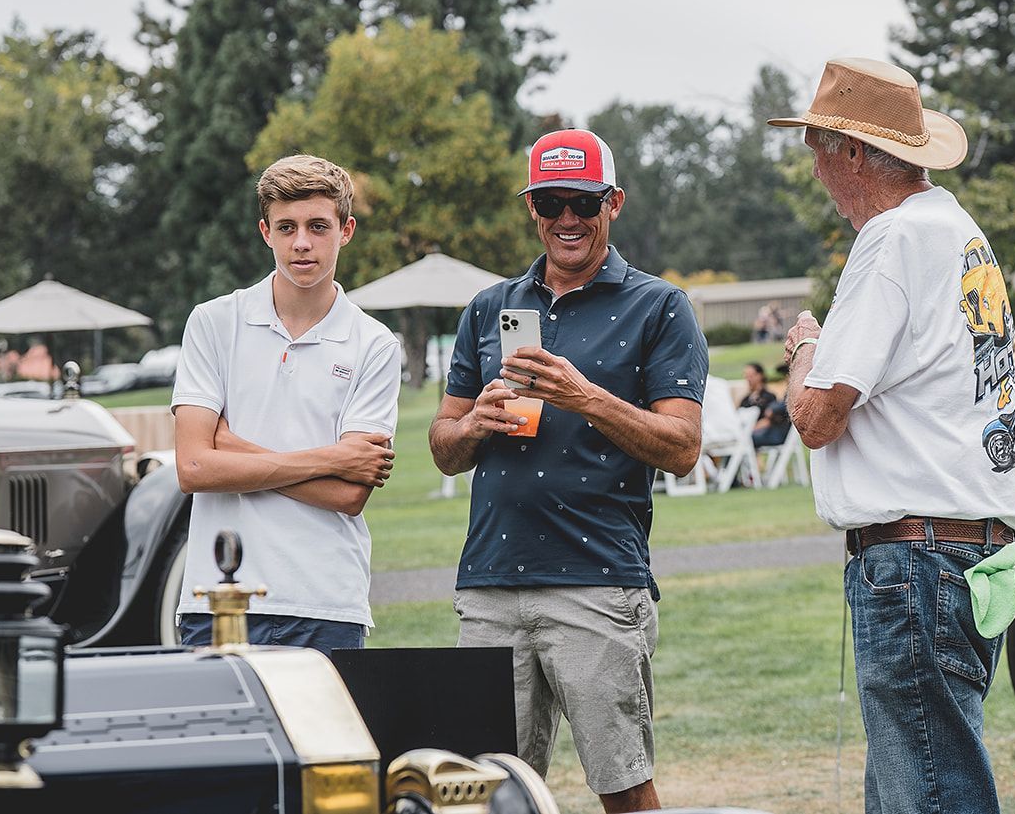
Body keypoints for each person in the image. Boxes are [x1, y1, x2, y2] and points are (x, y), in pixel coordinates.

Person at [770, 57, 1015, 814]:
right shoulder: (956, 229)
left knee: (929, 797)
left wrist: (805, 349)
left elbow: (817, 418)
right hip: (967, 553)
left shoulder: (890, 240)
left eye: (819, 149)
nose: (817, 170)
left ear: (853, 153)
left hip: (914, 562)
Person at [429, 128, 707, 814]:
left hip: (597, 585)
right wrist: (473, 425)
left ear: (614, 201)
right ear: (532, 209)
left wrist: (583, 396)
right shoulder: (490, 308)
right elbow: (441, 444)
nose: (567, 219)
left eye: (582, 201)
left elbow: (682, 446)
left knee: (623, 787)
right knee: (482, 796)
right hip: (490, 585)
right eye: (550, 201)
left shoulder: (659, 305)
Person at [171, 155, 400, 652]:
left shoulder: (375, 343)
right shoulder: (213, 323)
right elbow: (192, 468)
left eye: (318, 226)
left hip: (325, 603)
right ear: (265, 232)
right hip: (216, 599)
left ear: (346, 230)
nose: (301, 242)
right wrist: (335, 457)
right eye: (287, 226)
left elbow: (349, 496)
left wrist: (229, 447)